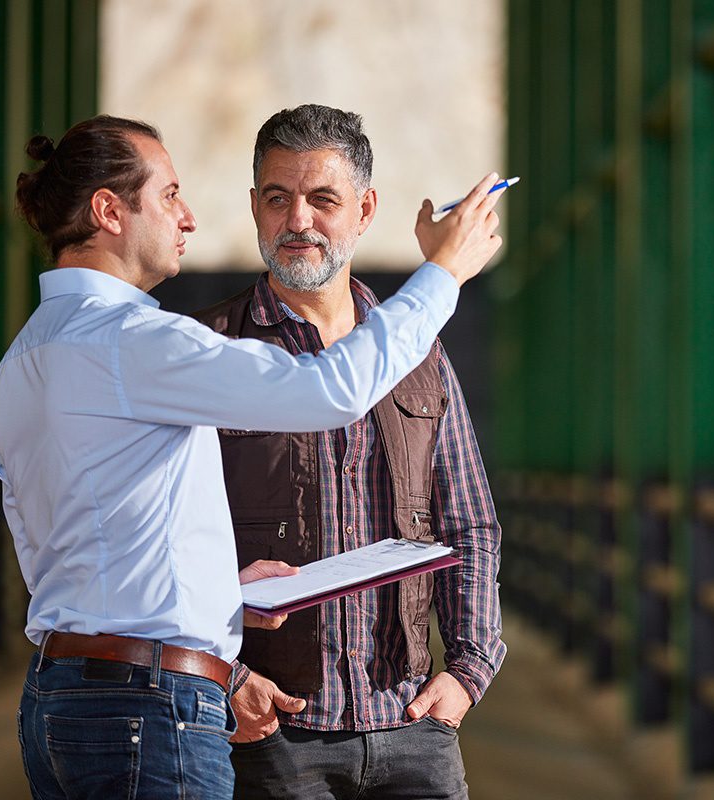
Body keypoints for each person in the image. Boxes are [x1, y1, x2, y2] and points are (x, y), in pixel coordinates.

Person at [0, 114, 503, 800]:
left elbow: (76, 549)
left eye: (322, 198)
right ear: (109, 210)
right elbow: (331, 390)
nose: (188, 217)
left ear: (363, 210)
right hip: (156, 707)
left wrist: (220, 592)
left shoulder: (27, 355)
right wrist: (443, 271)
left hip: (68, 697)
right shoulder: (143, 343)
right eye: (169, 194)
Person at [193, 104, 507, 800]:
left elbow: (470, 525)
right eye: (278, 198)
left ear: (365, 210)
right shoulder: (206, 352)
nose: (298, 220)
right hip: (271, 731)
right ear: (253, 207)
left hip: (412, 726)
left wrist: (468, 670)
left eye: (322, 199)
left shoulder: (419, 354)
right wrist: (227, 678)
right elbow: (159, 541)